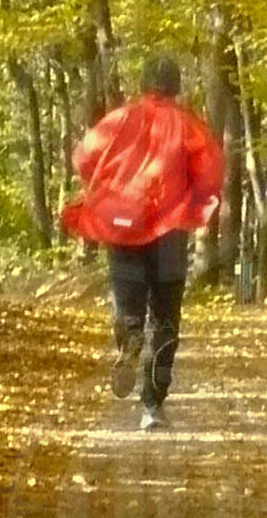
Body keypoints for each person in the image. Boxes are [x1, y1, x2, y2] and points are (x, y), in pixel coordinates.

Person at [60, 54, 226, 431]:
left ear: (145, 82)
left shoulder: (119, 119)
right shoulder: (187, 125)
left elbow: (83, 157)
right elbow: (211, 171)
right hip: (169, 231)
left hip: (124, 226)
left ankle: (128, 338)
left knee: (128, 302)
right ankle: (152, 405)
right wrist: (194, 202)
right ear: (176, 84)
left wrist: (109, 185)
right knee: (166, 318)